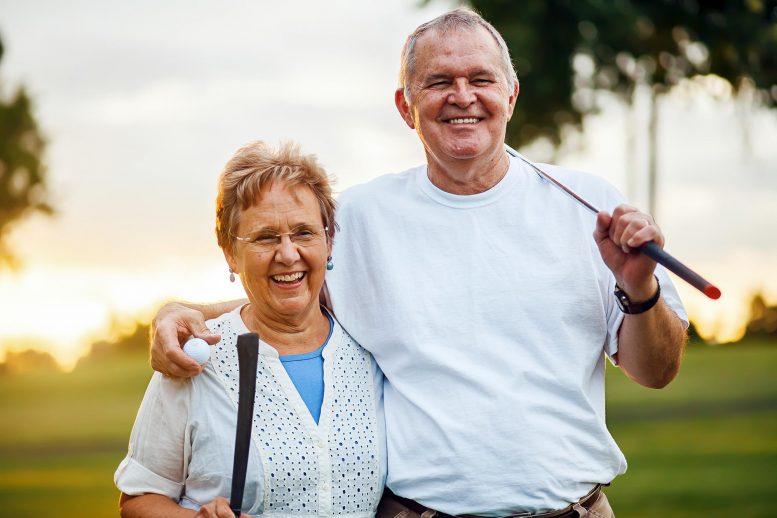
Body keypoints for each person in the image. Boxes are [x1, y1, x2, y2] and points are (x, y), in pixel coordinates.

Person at [150, 8, 688, 517]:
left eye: (481, 79)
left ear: (511, 94)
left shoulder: (589, 204)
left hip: (576, 509)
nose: (462, 97)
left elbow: (656, 371)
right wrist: (184, 310)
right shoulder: (359, 217)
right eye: (438, 82)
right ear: (405, 106)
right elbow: (289, 295)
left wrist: (640, 287)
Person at [115, 141, 386, 517]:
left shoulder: (371, 348)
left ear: (329, 242)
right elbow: (139, 500)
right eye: (265, 237)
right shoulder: (196, 359)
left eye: (304, 232)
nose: (288, 254)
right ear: (229, 251)